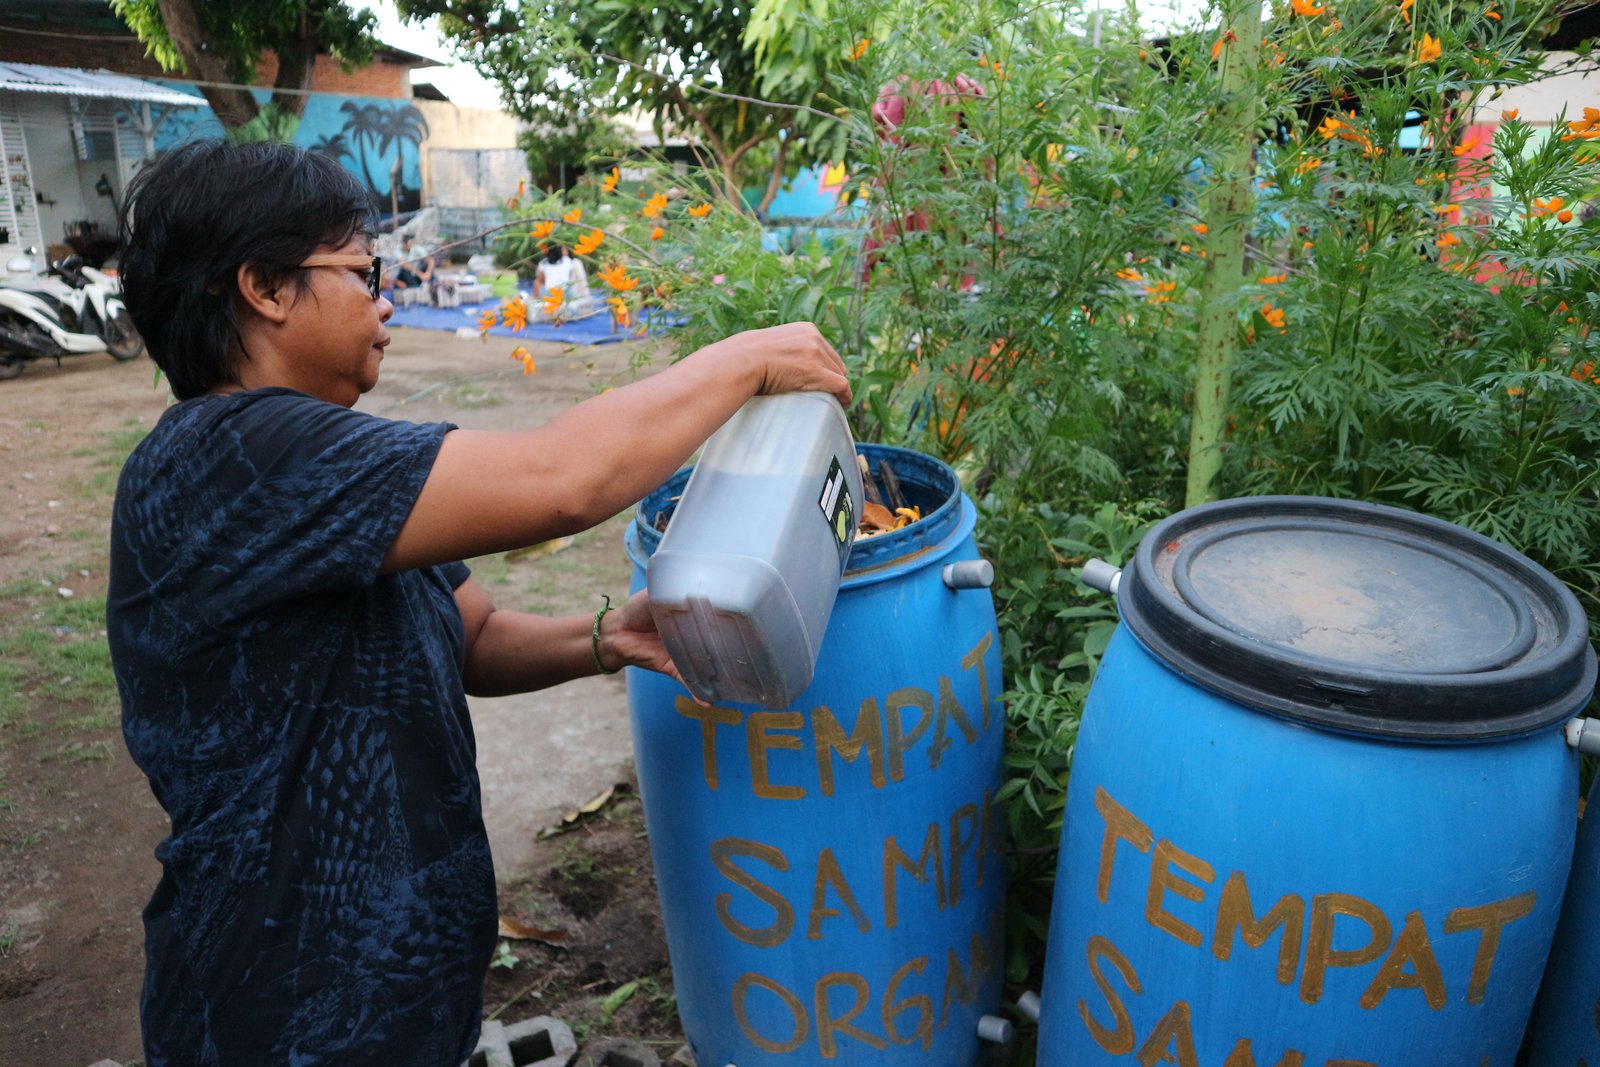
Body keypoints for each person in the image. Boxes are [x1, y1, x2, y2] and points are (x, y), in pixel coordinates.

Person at [108, 140, 849, 1067]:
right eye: (363, 272)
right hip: (283, 1013)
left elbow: (476, 636)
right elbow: (562, 480)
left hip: (398, 999)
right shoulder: (224, 462)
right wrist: (745, 360)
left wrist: (606, 636)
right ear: (263, 287)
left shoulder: (336, 467)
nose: (385, 301)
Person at [531, 242, 595, 318]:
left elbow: (541, 279)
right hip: (565, 293)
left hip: (551, 294)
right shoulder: (567, 261)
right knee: (569, 284)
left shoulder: (543, 263)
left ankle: (536, 302)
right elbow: (570, 276)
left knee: (536, 282)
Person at [389, 230, 435, 299]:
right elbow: (404, 265)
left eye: (407, 243)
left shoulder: (416, 249)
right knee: (405, 271)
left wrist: (428, 273)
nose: (406, 244)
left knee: (426, 268)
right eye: (404, 243)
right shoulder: (397, 250)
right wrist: (421, 275)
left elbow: (430, 260)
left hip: (413, 274)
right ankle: (415, 288)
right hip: (400, 277)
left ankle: (431, 286)